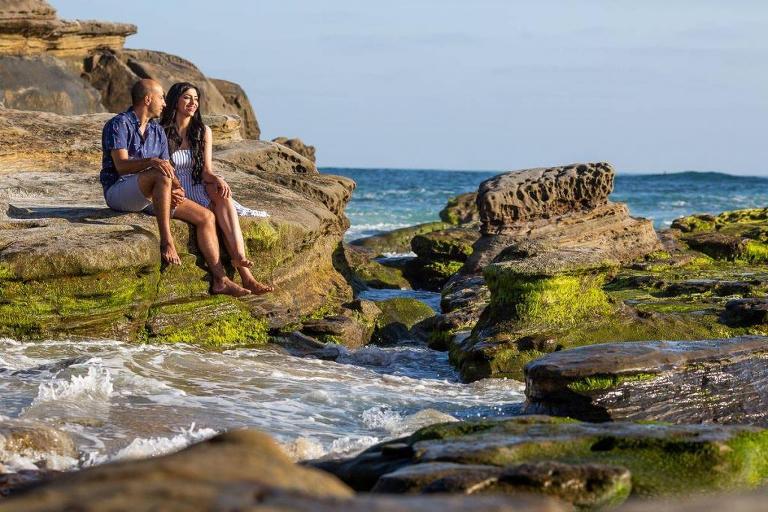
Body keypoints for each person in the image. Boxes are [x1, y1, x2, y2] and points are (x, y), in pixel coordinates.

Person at [100, 78, 251, 297]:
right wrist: (153, 163)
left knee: (207, 217)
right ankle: (167, 242)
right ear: (148, 99)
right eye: (161, 97)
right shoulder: (119, 124)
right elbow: (122, 167)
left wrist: (177, 188)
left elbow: (168, 167)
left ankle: (221, 279)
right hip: (120, 191)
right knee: (159, 175)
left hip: (151, 194)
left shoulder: (156, 130)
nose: (164, 102)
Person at [159, 82, 274, 294]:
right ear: (175, 101)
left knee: (223, 196)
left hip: (196, 184)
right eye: (187, 98)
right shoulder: (161, 132)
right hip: (175, 188)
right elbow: (161, 170)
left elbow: (206, 171)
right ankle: (239, 277)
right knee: (214, 216)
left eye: (196, 99)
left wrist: (218, 178)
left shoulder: (203, 131)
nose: (193, 103)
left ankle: (241, 261)